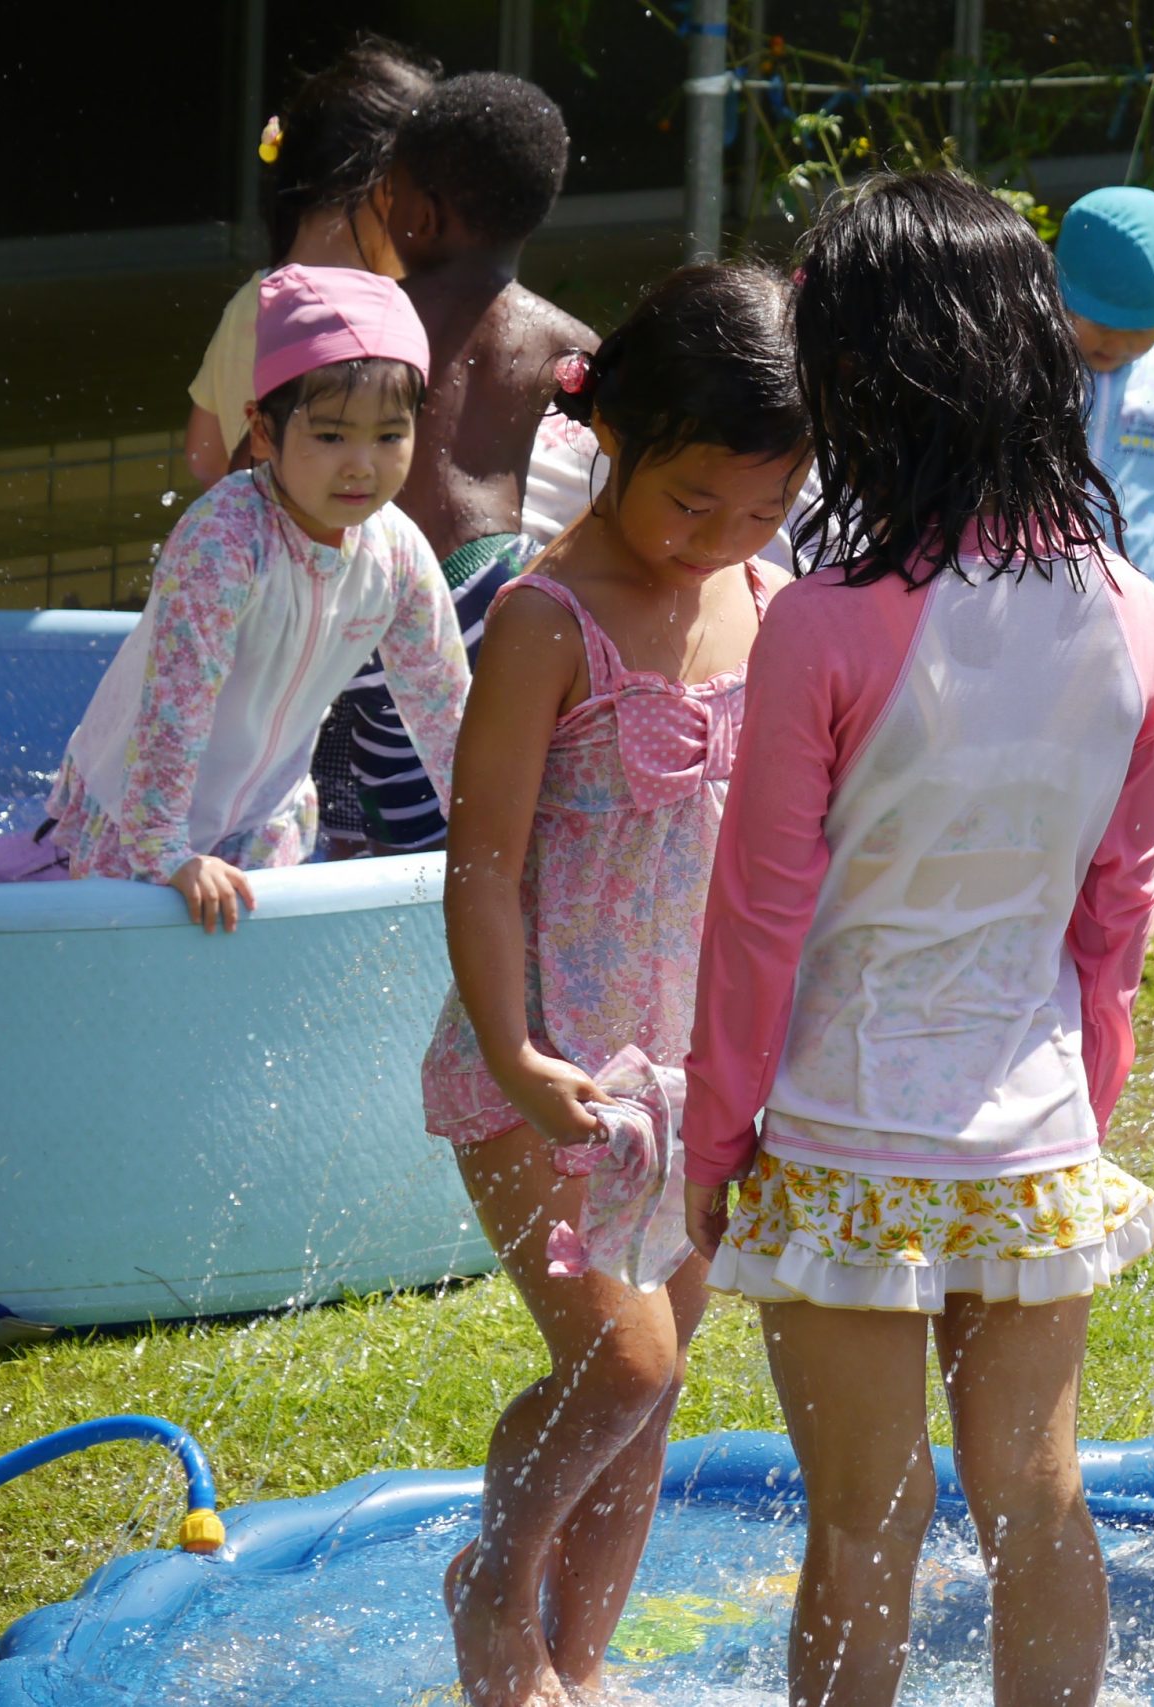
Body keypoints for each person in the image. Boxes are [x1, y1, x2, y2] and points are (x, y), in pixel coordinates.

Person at [680, 170, 1154, 1707]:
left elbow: (760, 914)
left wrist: (715, 1138)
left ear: (862, 382)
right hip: (1032, 1136)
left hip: (843, 1129)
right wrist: (1085, 1104)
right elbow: (1117, 912)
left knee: (864, 1519)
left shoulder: (821, 621)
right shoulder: (1135, 613)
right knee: (1038, 1498)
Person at [422, 264, 812, 1707]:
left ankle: (576, 1668)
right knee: (625, 1366)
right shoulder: (546, 620)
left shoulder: (766, 601)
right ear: (612, 434)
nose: (720, 538)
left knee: (654, 1395)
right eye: (691, 501)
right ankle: (494, 1580)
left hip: (693, 1074)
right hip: (547, 1068)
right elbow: (481, 869)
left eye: (763, 509)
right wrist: (514, 1052)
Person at [45, 265, 465, 929]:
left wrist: (490, 835)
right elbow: (177, 704)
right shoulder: (225, 540)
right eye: (330, 435)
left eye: (389, 435)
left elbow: (445, 711)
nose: (361, 464)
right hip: (141, 814)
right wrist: (166, 850)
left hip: (265, 819)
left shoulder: (396, 554)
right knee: (119, 979)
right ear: (263, 432)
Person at [341, 71, 600, 856]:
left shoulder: (363, 315)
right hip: (497, 578)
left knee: (362, 802)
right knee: (476, 808)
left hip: (370, 581)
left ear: (422, 213)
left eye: (390, 196)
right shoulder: (563, 337)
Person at [1054, 184, 1154, 955]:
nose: (1112, 345)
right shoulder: (1041, 371)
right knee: (1051, 750)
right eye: (1095, 324)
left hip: (1139, 614)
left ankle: (1149, 901)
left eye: (1133, 332)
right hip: (1045, 604)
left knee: (1142, 759)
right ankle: (1052, 889)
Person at [183, 35, 436, 489]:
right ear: (389, 186)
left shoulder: (248, 301)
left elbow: (204, 458)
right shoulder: (380, 319)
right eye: (429, 195)